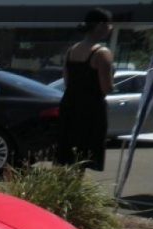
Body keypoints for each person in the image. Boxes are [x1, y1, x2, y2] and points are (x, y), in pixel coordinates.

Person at [57, 8, 114, 171]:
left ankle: (65, 192)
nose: (110, 28)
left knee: (68, 156)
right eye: (109, 25)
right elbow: (106, 88)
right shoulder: (102, 53)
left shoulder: (71, 50)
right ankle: (73, 192)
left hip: (69, 106)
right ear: (100, 26)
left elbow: (67, 81)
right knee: (83, 157)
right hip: (90, 110)